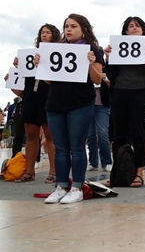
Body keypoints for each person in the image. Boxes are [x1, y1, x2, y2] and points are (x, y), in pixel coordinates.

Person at [38, 14, 104, 204]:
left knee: (76, 147)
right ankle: (60, 186)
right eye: (66, 26)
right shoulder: (55, 50)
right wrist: (40, 65)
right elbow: (48, 80)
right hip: (56, 102)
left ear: (83, 29)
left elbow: (97, 79)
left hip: (80, 103)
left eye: (73, 26)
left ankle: (77, 187)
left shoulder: (92, 49)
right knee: (60, 148)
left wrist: (91, 64)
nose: (69, 29)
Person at [104, 16, 145, 188]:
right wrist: (108, 58)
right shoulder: (116, 48)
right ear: (125, 31)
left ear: (143, 29)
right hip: (120, 93)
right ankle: (118, 172)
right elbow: (111, 75)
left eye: (137, 26)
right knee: (119, 134)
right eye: (130, 26)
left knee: (138, 132)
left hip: (141, 93)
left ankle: (139, 172)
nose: (134, 28)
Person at [10, 24, 60, 184]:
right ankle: (29, 171)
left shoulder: (58, 54)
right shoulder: (30, 55)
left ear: (54, 35)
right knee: (31, 135)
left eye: (48, 32)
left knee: (50, 135)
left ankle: (53, 171)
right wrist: (19, 67)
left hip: (49, 96)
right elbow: (20, 87)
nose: (44, 35)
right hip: (31, 96)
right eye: (42, 33)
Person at [87, 46, 112, 172]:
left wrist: (102, 75)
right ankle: (93, 161)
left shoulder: (107, 68)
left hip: (102, 105)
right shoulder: (85, 68)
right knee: (90, 135)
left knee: (102, 133)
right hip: (88, 104)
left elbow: (110, 83)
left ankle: (107, 161)